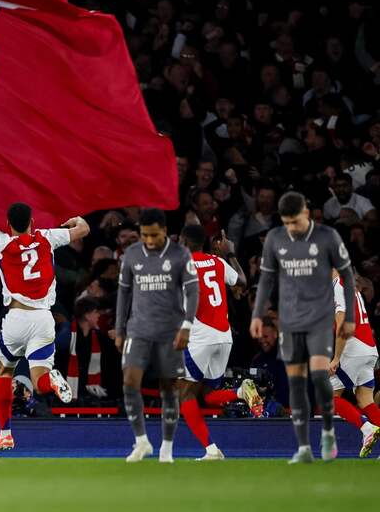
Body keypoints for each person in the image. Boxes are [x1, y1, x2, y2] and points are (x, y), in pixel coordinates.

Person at [0, 156, 87, 452]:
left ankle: (5, 433)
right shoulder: (46, 237)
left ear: (8, 225)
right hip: (44, 318)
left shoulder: (2, 243)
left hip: (16, 318)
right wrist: (78, 221)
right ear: (32, 223)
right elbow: (83, 231)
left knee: (5, 372)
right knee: (40, 379)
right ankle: (53, 382)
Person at [250, 191, 356, 464]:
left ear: (306, 214)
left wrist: (350, 315)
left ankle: (329, 432)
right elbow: (266, 280)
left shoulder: (327, 237)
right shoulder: (275, 239)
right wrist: (257, 315)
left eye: (295, 222)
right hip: (290, 321)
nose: (291, 229)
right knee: (296, 382)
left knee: (320, 377)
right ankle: (303, 447)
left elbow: (346, 274)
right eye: (286, 223)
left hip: (319, 319)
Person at [115, 207, 199, 463]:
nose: (149, 241)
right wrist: (120, 329)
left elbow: (193, 292)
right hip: (138, 330)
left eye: (154, 235)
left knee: (168, 388)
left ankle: (167, 448)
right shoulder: (131, 255)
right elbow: (124, 294)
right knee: (130, 382)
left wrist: (186, 325)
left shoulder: (180, 254)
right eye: (145, 235)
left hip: (169, 332)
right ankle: (142, 442)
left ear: (165, 231)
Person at [177, 225, 263, 461]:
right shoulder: (217, 261)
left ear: (184, 242)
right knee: (207, 393)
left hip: (200, 337)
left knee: (184, 395)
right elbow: (242, 281)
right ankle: (241, 390)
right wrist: (231, 253)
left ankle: (211, 450)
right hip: (224, 337)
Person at [328, 270, 380, 458]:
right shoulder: (350, 287)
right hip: (369, 350)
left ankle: (367, 429)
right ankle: (369, 428)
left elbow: (343, 327)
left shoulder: (339, 288)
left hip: (354, 349)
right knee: (365, 400)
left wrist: (336, 359)